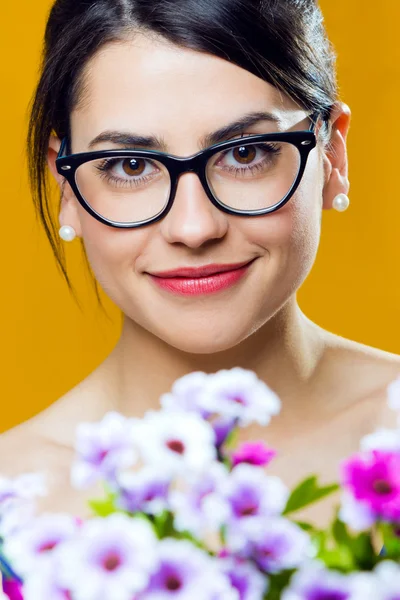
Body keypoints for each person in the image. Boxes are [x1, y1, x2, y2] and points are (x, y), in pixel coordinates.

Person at [1, 0, 399, 525]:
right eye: (131, 164)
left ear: (333, 156)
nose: (194, 228)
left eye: (245, 153)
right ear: (66, 185)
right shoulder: (14, 504)